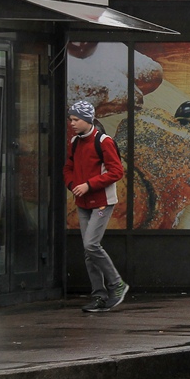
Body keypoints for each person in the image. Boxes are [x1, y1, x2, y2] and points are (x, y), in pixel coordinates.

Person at [63, 100, 129, 312]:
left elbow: (116, 172)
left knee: (91, 245)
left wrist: (88, 185)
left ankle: (117, 284)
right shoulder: (74, 142)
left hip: (102, 202)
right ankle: (99, 295)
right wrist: (73, 185)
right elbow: (68, 168)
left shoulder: (104, 141)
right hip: (82, 202)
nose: (71, 123)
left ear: (87, 120)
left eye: (76, 119)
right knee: (88, 250)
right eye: (70, 119)